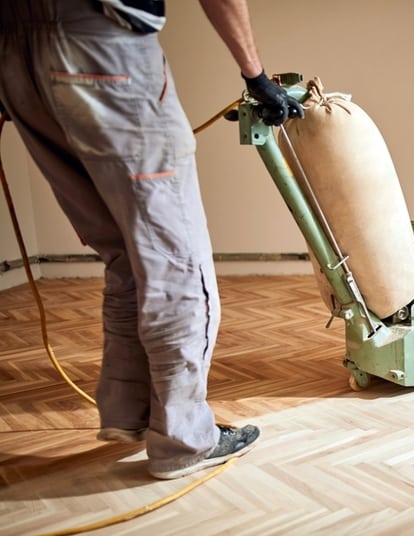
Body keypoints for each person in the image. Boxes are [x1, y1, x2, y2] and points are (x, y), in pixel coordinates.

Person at [0, 0, 301, 479]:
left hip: (16, 54)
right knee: (174, 257)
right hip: (101, 48)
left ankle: (127, 412)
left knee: (124, 251)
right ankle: (184, 442)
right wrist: (255, 75)